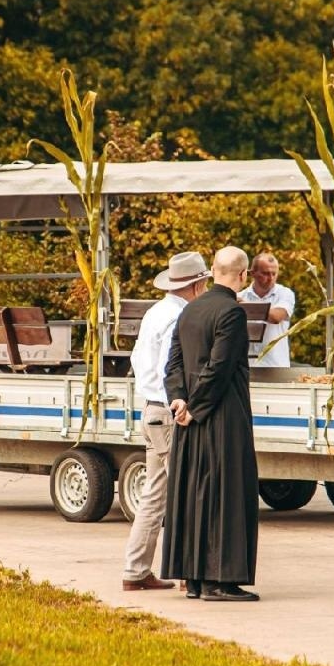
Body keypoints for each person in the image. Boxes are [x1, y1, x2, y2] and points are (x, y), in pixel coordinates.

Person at [162, 245, 260, 601]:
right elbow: (218, 368)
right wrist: (197, 406)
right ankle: (221, 580)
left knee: (195, 495)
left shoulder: (189, 311)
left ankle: (196, 578)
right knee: (226, 493)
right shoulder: (232, 313)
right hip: (222, 417)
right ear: (243, 275)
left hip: (189, 417)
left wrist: (179, 400)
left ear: (212, 273)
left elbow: (173, 363)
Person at [121, 251, 209, 592]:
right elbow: (172, 369)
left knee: (154, 494)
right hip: (169, 412)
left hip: (150, 410)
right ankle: (190, 571)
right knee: (186, 491)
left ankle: (135, 570)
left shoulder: (155, 312)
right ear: (198, 283)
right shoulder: (180, 317)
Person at [239, 252, 295, 368]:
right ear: (253, 273)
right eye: (265, 273)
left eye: (274, 274)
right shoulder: (240, 295)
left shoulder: (285, 294)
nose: (271, 278)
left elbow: (276, 317)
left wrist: (244, 307)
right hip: (246, 368)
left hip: (276, 367)